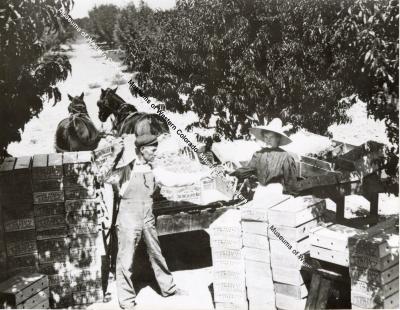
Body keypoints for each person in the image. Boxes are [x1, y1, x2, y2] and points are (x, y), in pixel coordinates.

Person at [97, 134, 181, 310]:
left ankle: (169, 289)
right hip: (128, 218)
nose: (156, 152)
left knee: (157, 253)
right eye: (153, 149)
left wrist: (203, 175)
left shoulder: (153, 169)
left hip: (147, 216)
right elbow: (101, 177)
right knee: (125, 260)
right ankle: (127, 301)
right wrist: (114, 155)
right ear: (142, 150)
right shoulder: (126, 170)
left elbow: (173, 180)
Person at [232, 118, 298, 206]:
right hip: (261, 192)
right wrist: (231, 173)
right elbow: (246, 170)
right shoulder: (258, 155)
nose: (268, 140)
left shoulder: (286, 157)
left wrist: (290, 201)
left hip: (277, 194)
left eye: (271, 137)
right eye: (266, 137)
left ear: (278, 138)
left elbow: (291, 183)